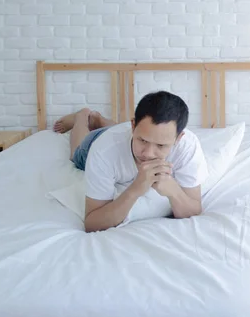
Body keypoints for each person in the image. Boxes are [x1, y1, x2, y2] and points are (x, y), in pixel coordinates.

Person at [53, 91, 208, 233]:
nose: (148, 153)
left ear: (179, 138)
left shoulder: (187, 146)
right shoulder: (103, 150)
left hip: (120, 135)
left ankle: (100, 120)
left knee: (124, 136)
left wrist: (174, 191)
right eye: (142, 140)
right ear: (133, 126)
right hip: (94, 142)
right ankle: (82, 116)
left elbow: (194, 209)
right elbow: (92, 224)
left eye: (160, 145)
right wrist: (135, 190)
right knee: (76, 155)